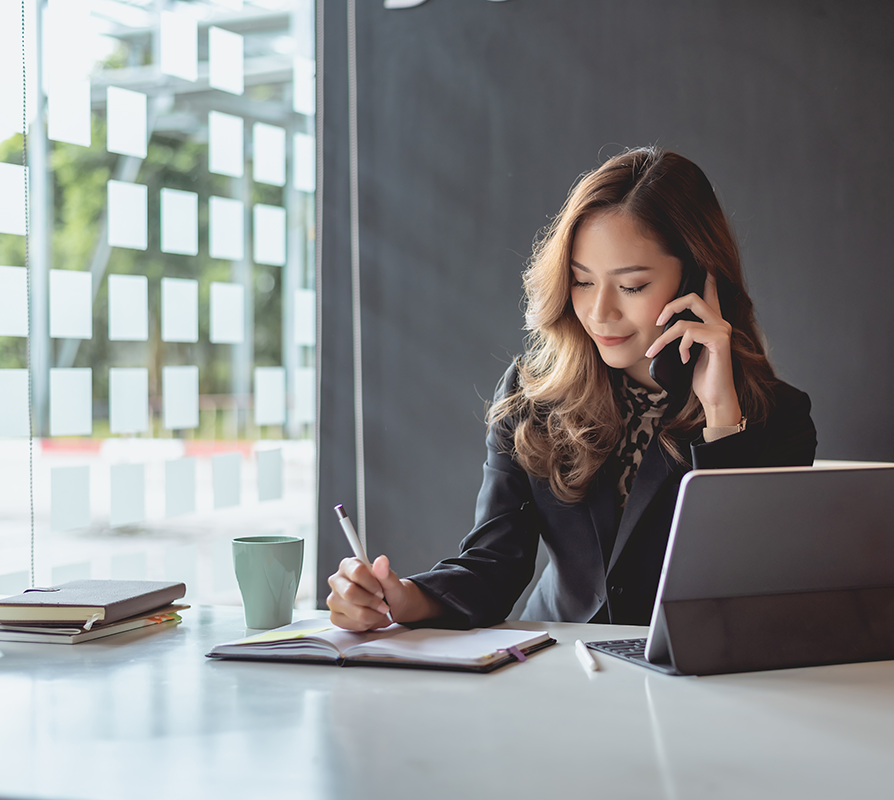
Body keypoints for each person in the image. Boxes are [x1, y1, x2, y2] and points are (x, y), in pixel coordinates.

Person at [328, 147, 817, 631]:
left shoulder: (780, 417)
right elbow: (493, 563)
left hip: (689, 685)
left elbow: (743, 591)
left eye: (631, 286)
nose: (599, 313)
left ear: (698, 281)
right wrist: (400, 598)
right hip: (557, 671)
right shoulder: (532, 395)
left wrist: (720, 418)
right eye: (582, 281)